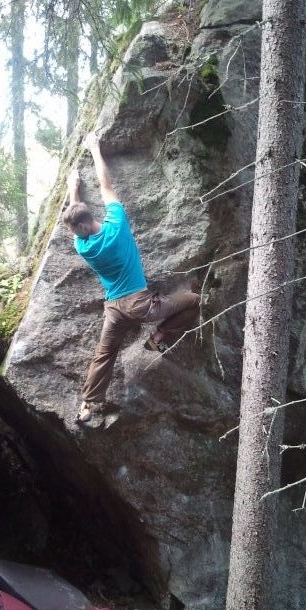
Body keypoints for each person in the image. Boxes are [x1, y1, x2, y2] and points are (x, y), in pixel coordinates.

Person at [63, 132, 200, 423]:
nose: (74, 234)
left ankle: (87, 405)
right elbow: (106, 185)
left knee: (104, 355)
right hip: (140, 305)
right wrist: (95, 148)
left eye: (74, 229)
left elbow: (77, 215)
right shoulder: (116, 226)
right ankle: (159, 336)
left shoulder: (83, 247)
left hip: (114, 310)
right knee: (195, 300)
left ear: (82, 229)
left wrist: (73, 187)